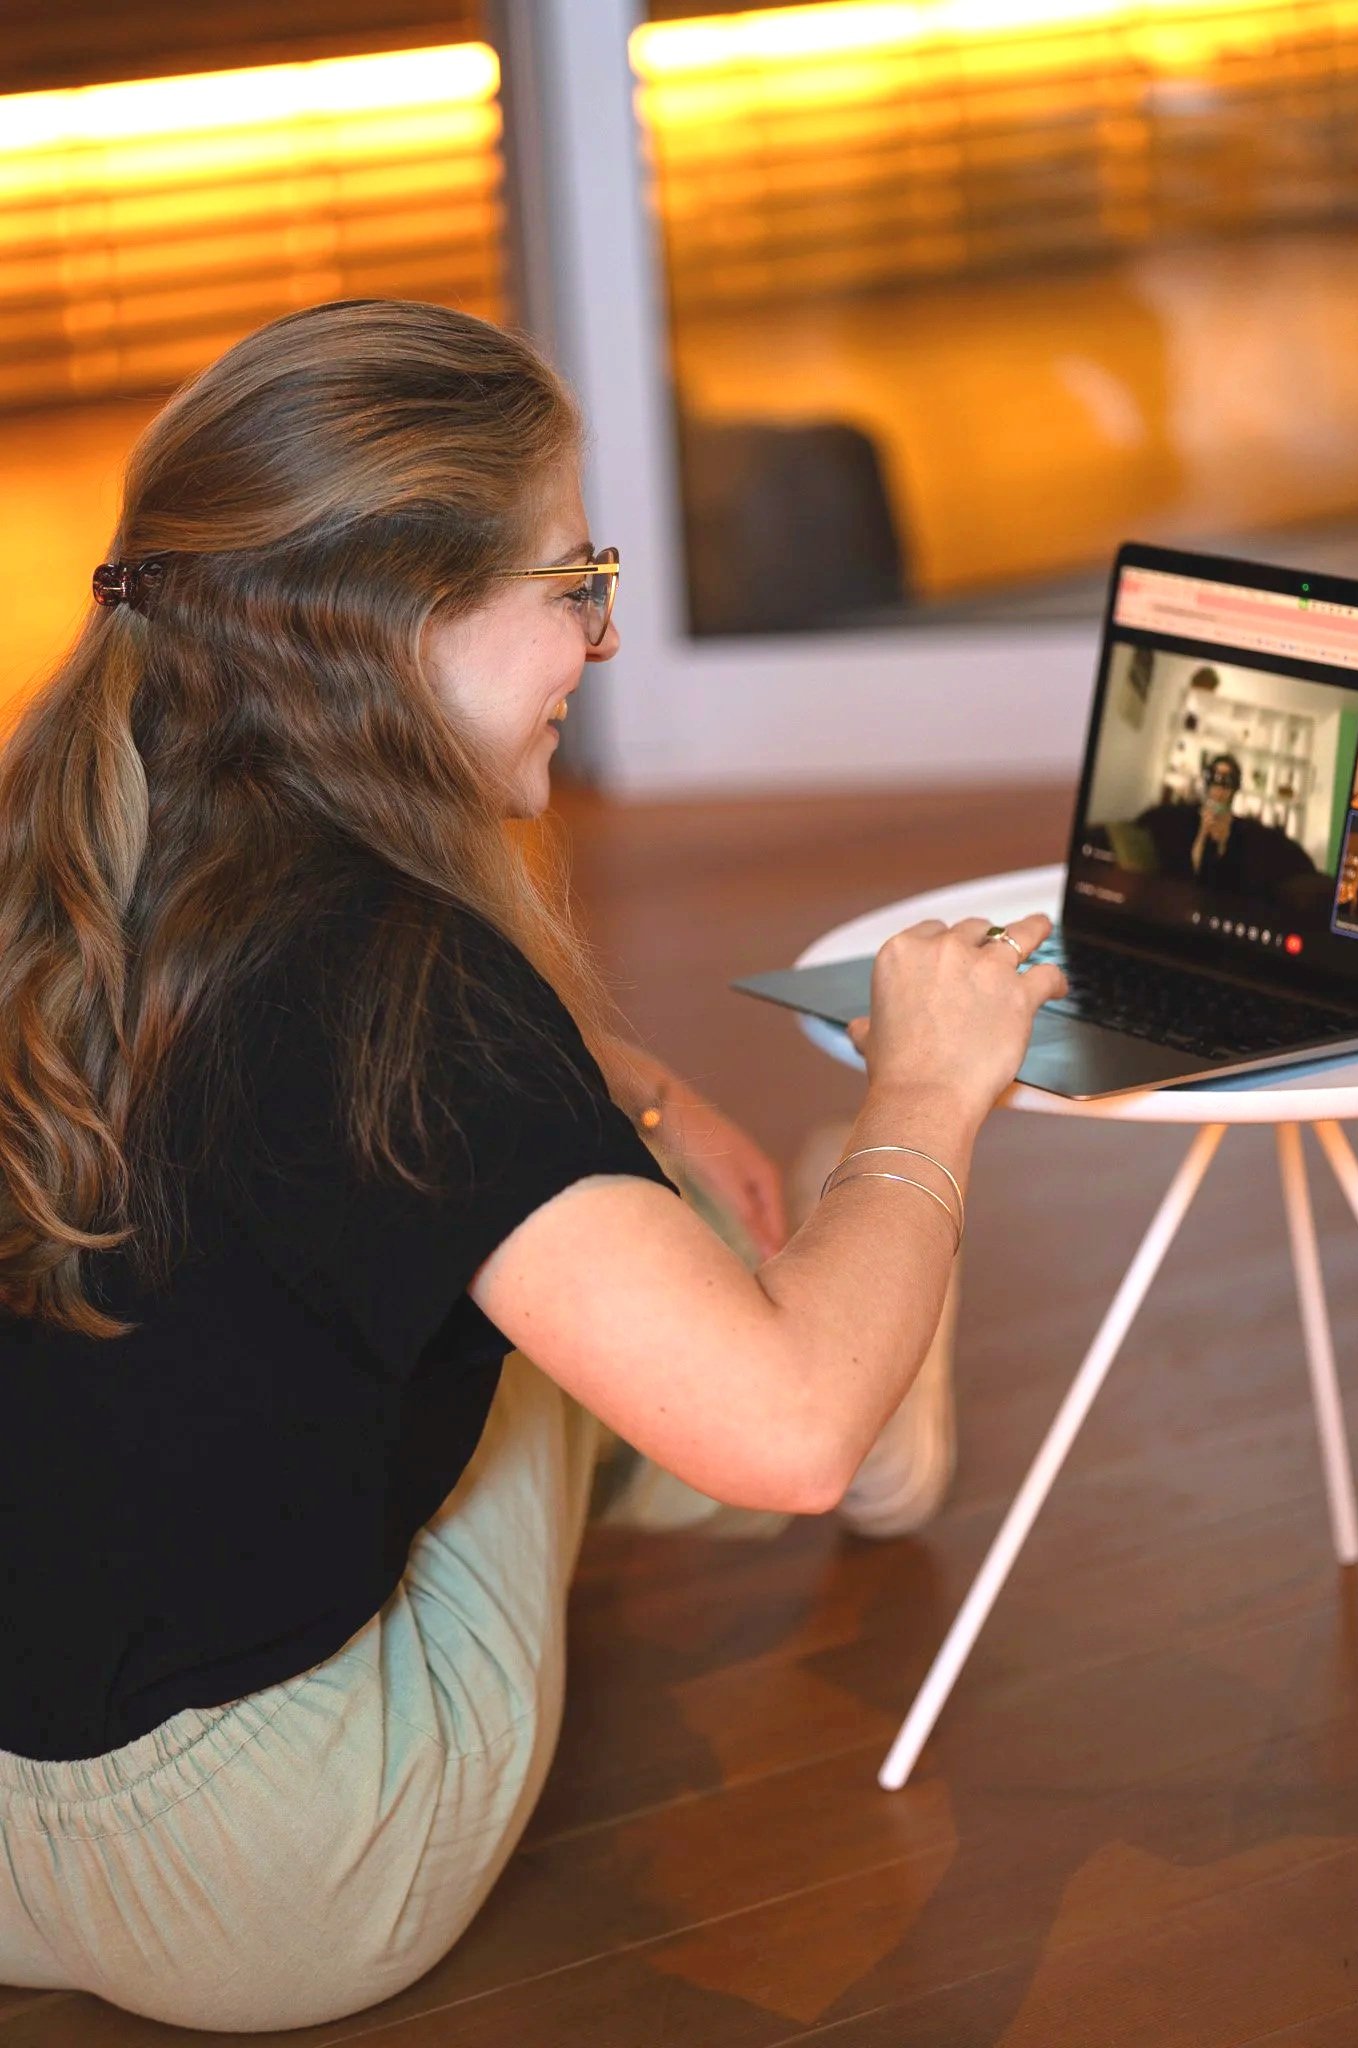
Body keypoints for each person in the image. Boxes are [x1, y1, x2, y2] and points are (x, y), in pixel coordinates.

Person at [0, 300, 1064, 2032]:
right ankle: (871, 1367)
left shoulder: (70, 821)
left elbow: (354, 1095)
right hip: (272, 1877)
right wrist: (924, 1103)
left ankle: (773, 1293)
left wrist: (611, 1083)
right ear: (405, 615)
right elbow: (778, 1433)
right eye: (574, 582)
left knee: (491, 1229)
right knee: (620, 1340)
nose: (604, 636)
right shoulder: (401, 983)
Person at [1133, 752, 1317, 898]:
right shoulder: (1184, 818)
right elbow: (1191, 869)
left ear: (1234, 788)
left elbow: (1230, 878)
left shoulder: (1242, 830)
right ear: (1207, 783)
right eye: (1215, 780)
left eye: (1227, 782)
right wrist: (1203, 833)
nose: (1219, 789)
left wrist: (1223, 842)